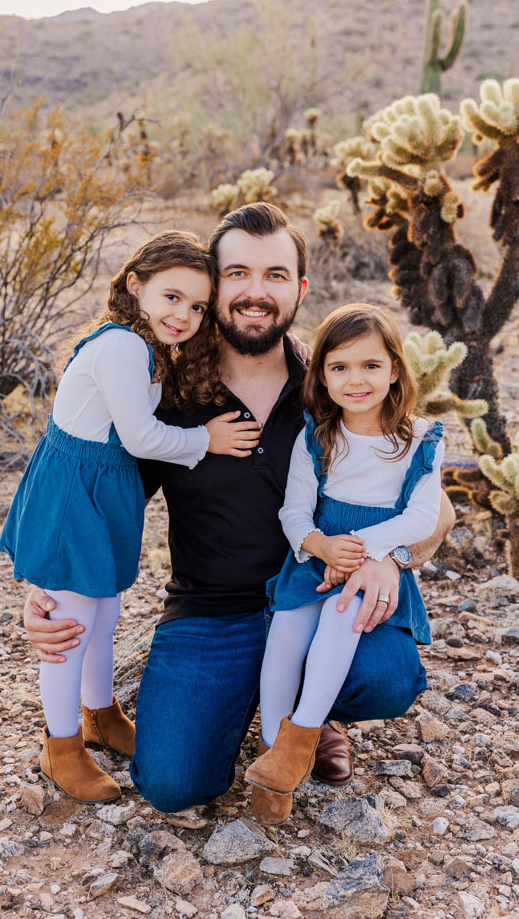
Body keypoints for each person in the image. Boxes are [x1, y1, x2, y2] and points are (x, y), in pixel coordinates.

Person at [22, 203, 455, 824]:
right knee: (174, 785)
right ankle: (261, 704)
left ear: (300, 288)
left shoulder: (332, 383)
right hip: (211, 613)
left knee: (389, 676)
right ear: (213, 284)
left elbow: (432, 502)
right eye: (239, 275)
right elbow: (89, 490)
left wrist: (395, 554)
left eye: (275, 275)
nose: (257, 292)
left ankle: (305, 716)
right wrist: (48, 585)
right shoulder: (163, 396)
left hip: (315, 596)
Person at [0, 230, 261, 804]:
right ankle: (60, 746)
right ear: (135, 285)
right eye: (171, 297)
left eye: (196, 307)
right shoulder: (120, 346)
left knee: (105, 609)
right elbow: (141, 436)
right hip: (76, 496)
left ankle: (100, 713)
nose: (183, 315)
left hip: (102, 490)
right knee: (71, 622)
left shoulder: (146, 349)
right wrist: (206, 439)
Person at [244, 304, 444, 821]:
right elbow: (293, 510)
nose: (356, 380)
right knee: (286, 636)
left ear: (396, 369)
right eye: (340, 367)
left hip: (366, 565)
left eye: (371, 365)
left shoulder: (421, 440)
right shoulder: (318, 436)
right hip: (317, 562)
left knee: (343, 617)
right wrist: (319, 546)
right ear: (322, 376)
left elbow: (423, 515)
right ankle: (274, 753)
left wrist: (358, 550)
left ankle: (302, 735)